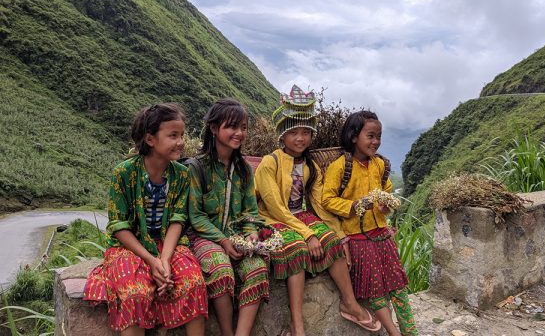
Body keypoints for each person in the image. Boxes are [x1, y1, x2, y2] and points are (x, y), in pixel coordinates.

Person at [254, 85, 381, 336]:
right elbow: (275, 207)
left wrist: (339, 234)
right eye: (294, 133)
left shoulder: (310, 165)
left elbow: (321, 205)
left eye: (305, 132)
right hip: (270, 218)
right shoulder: (271, 162)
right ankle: (297, 324)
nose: (300, 138)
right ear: (283, 135)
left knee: (332, 244)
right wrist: (308, 234)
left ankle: (349, 303)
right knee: (297, 249)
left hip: (299, 216)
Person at [84, 103, 207, 335]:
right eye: (173, 135)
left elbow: (177, 220)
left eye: (182, 135)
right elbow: (119, 226)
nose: (181, 141)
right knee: (135, 293)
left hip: (167, 244)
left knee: (194, 284)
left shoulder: (181, 174)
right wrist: (152, 261)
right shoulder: (124, 173)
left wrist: (165, 260)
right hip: (129, 247)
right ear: (150, 139)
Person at [322, 110, 418, 336]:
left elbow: (385, 192)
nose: (375, 142)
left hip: (382, 234)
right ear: (354, 136)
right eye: (370, 136)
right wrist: (354, 206)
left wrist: (385, 206)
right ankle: (394, 332)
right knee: (375, 292)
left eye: (379, 136)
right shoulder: (340, 166)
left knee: (398, 287)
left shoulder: (380, 165)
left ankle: (411, 331)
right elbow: (327, 199)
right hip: (358, 238)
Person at [187, 99, 269, 336]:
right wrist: (223, 240)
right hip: (204, 237)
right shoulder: (197, 167)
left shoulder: (243, 169)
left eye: (243, 127)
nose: (239, 133)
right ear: (214, 128)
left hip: (237, 236)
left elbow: (250, 211)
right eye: (232, 126)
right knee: (221, 269)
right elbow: (196, 215)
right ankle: (227, 332)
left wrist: (251, 233)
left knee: (257, 269)